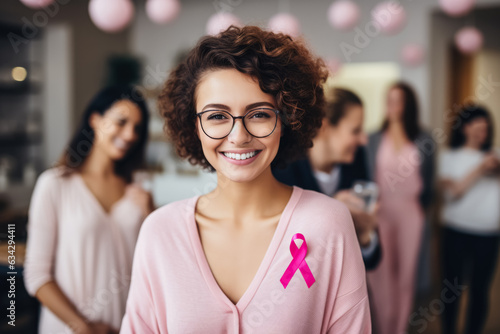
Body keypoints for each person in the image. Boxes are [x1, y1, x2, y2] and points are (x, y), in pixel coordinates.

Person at [120, 26, 371, 333]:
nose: (239, 137)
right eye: (216, 116)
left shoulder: (328, 224)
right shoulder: (160, 233)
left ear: (287, 121)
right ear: (194, 125)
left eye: (260, 114)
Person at [23, 85, 155, 334]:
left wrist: (150, 213)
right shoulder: (55, 185)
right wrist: (82, 326)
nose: (129, 135)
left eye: (137, 128)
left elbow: (152, 266)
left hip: (125, 328)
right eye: (121, 122)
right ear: (95, 119)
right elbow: (37, 275)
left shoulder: (137, 193)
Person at [273, 88, 381, 270]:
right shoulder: (283, 170)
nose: (364, 139)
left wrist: (365, 236)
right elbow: (284, 259)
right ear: (324, 127)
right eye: (355, 131)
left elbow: (372, 260)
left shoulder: (357, 159)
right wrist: (332, 212)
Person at [365, 82, 435, 334]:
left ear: (409, 105)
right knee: (381, 277)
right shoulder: (372, 138)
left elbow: (429, 183)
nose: (392, 105)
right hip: (380, 214)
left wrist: (421, 210)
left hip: (410, 213)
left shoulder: (424, 139)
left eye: (399, 100)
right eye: (389, 99)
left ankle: (399, 329)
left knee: (406, 276)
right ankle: (383, 327)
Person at [439, 105, 500, 334]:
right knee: (450, 290)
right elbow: (452, 193)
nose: (482, 131)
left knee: (480, 291)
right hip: (456, 231)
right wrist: (480, 168)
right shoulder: (450, 157)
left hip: (488, 233)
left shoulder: (496, 155)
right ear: (465, 128)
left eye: (486, 127)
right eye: (477, 126)